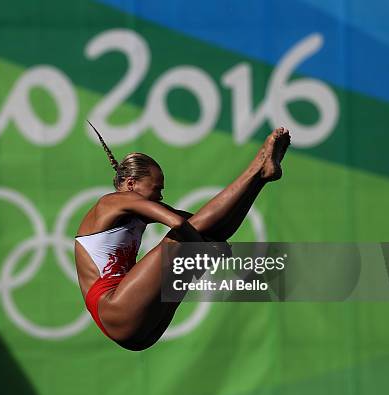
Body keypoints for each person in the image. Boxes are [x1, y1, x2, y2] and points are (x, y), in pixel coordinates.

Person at [75, 122, 291, 350]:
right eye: (156, 188)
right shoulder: (113, 201)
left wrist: (212, 241)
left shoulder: (132, 206)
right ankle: (256, 167)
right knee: (179, 239)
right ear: (131, 184)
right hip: (115, 309)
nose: (160, 195)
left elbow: (204, 222)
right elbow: (178, 223)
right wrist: (207, 247)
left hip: (138, 329)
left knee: (201, 233)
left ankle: (261, 176)